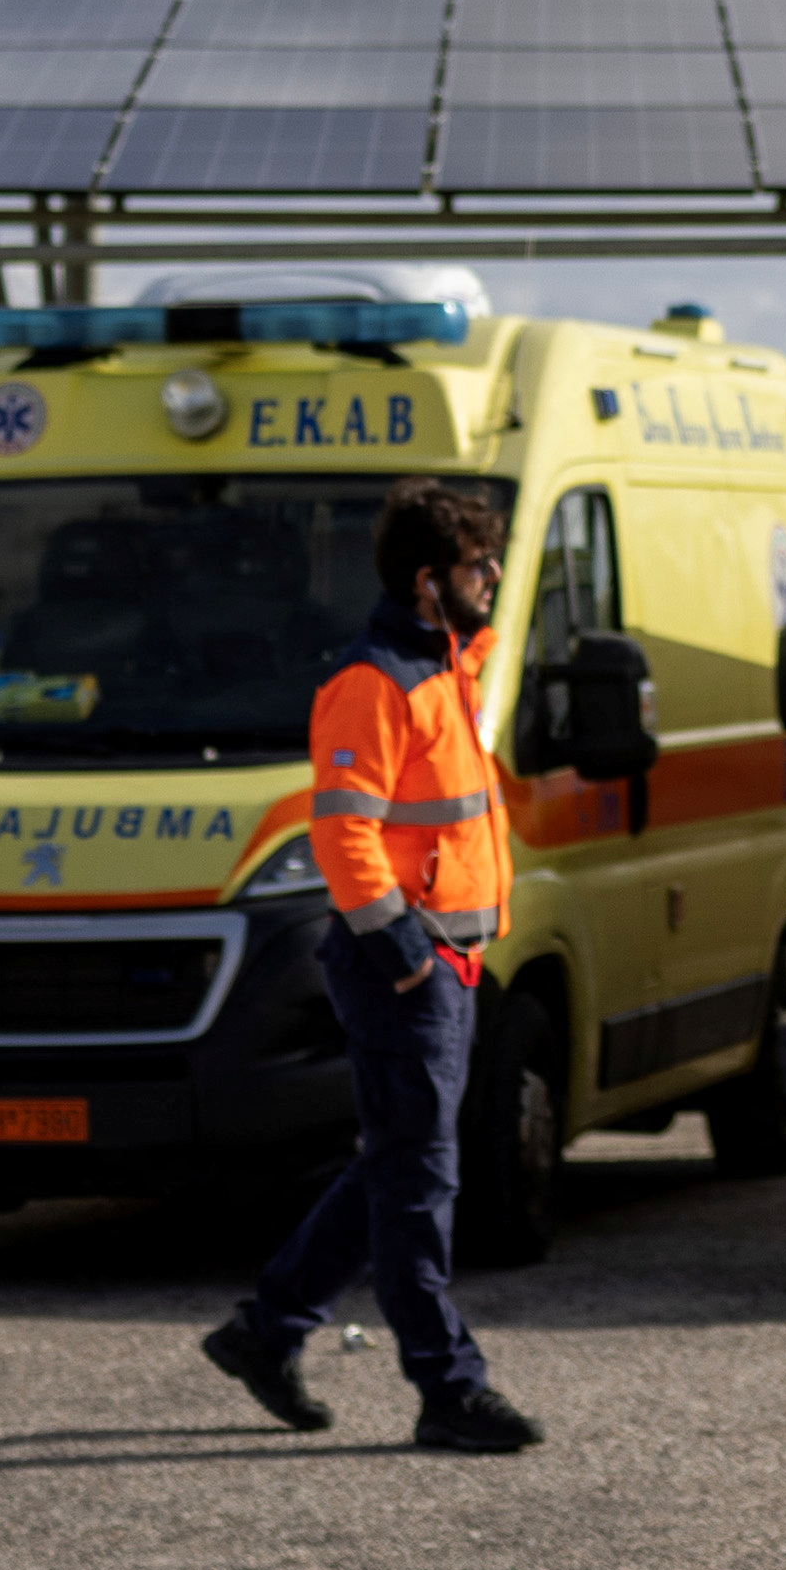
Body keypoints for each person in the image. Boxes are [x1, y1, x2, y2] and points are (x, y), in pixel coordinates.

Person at [202, 475, 548, 1456]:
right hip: (406, 964)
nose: (495, 578)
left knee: (396, 1167)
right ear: (431, 581)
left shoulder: (444, 667)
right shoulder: (374, 683)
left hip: (448, 961)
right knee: (418, 1179)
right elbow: (344, 835)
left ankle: (264, 1333)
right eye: (480, 564)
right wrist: (405, 954)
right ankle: (448, 1386)